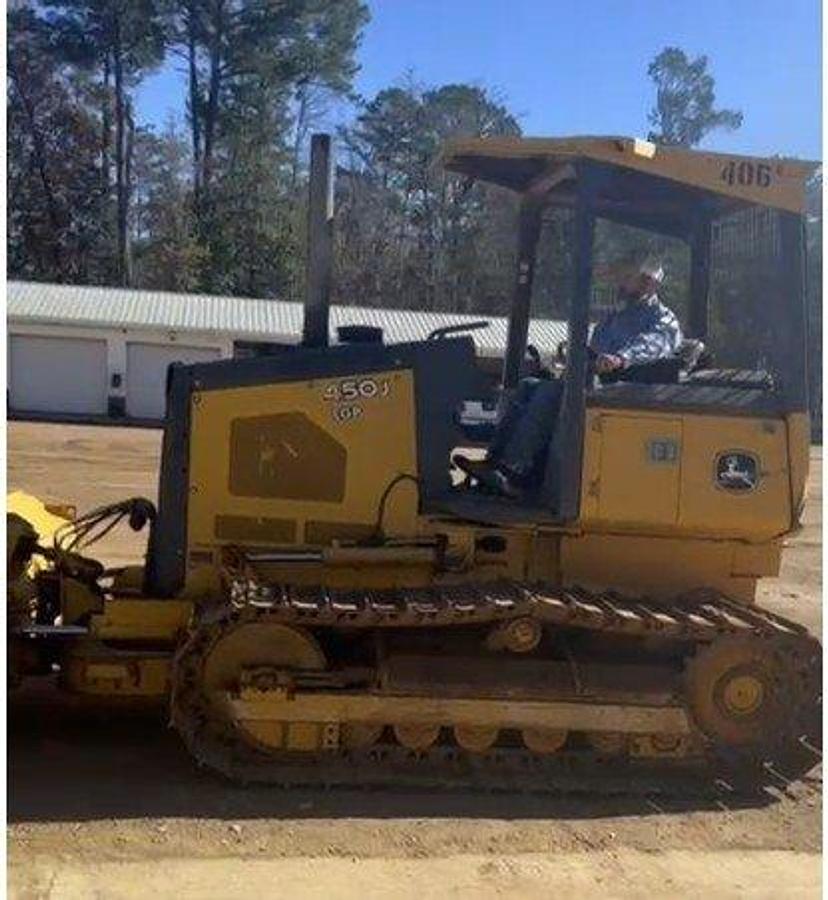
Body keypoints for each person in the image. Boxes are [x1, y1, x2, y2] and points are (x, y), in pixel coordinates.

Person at [461, 256, 683, 497]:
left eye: (627, 277)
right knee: (530, 386)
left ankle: (516, 471)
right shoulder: (616, 316)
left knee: (552, 392)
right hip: (601, 383)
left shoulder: (663, 319)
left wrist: (620, 358)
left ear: (648, 283)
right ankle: (495, 461)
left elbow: (652, 344)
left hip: (632, 391)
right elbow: (595, 348)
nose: (621, 283)